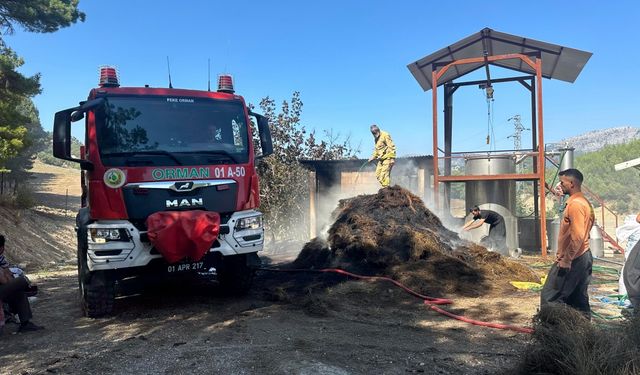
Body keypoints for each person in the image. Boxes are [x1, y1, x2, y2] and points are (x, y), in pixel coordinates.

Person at [540, 168, 595, 318]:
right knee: (577, 299)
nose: (560, 185)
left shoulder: (575, 204)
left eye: (562, 182)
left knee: (551, 297)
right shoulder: (585, 202)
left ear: (571, 183)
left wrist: (566, 259)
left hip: (574, 258)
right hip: (583, 256)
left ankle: (552, 334)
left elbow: (577, 236)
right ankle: (583, 335)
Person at [0, 234, 44, 334]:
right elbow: (4, 279)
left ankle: (25, 323)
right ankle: (27, 288)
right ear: (2, 248)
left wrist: (7, 277)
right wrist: (6, 277)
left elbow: (8, 276)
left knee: (18, 291)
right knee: (22, 280)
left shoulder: (1, 259)